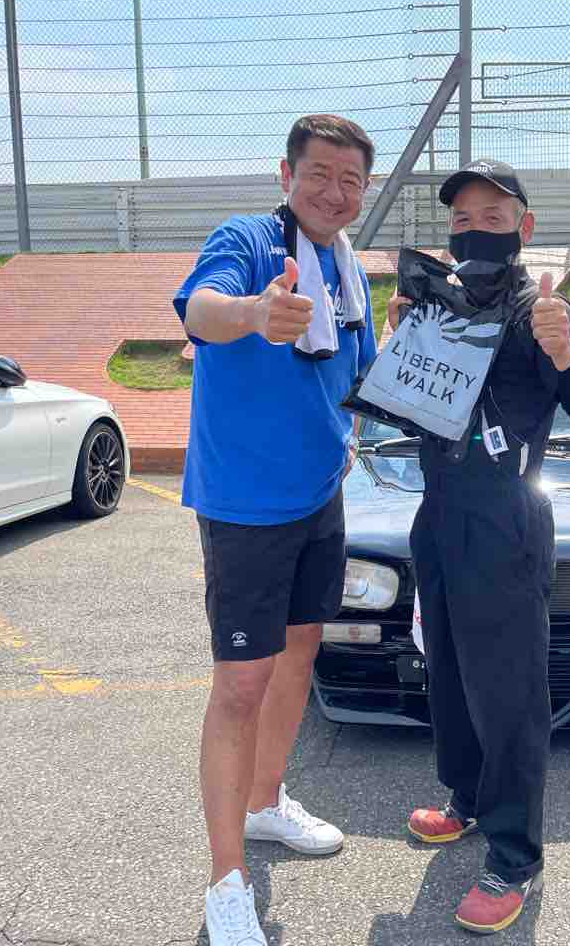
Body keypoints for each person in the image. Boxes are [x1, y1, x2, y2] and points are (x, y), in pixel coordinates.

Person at [388, 159, 570, 935]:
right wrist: (400, 347)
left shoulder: (540, 309)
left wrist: (565, 352)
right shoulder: (438, 306)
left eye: (492, 215)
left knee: (508, 693)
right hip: (439, 514)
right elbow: (409, 413)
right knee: (448, 669)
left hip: (506, 522)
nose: (473, 228)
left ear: (524, 225)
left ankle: (514, 855)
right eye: (461, 219)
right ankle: (466, 798)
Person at [172, 114, 377, 946]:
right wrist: (257, 310)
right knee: (240, 685)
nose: (335, 191)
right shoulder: (250, 241)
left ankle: (264, 803)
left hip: (319, 498)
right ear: (286, 175)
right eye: (319, 173)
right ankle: (225, 882)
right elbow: (200, 311)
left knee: (299, 654)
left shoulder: (349, 271)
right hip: (246, 506)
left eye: (351, 179)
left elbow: (364, 381)